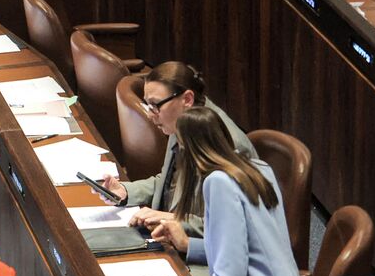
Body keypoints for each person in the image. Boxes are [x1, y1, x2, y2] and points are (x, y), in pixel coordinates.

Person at [149, 107, 308, 276]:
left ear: (188, 147)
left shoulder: (218, 182)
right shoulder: (259, 169)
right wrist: (188, 244)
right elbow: (252, 249)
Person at [97, 61, 258, 239]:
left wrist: (173, 219)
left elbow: (231, 228)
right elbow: (169, 183)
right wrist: (126, 192)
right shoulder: (180, 120)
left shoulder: (228, 146)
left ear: (187, 99)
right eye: (148, 106)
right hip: (165, 235)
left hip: (200, 252)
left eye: (156, 105)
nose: (151, 115)